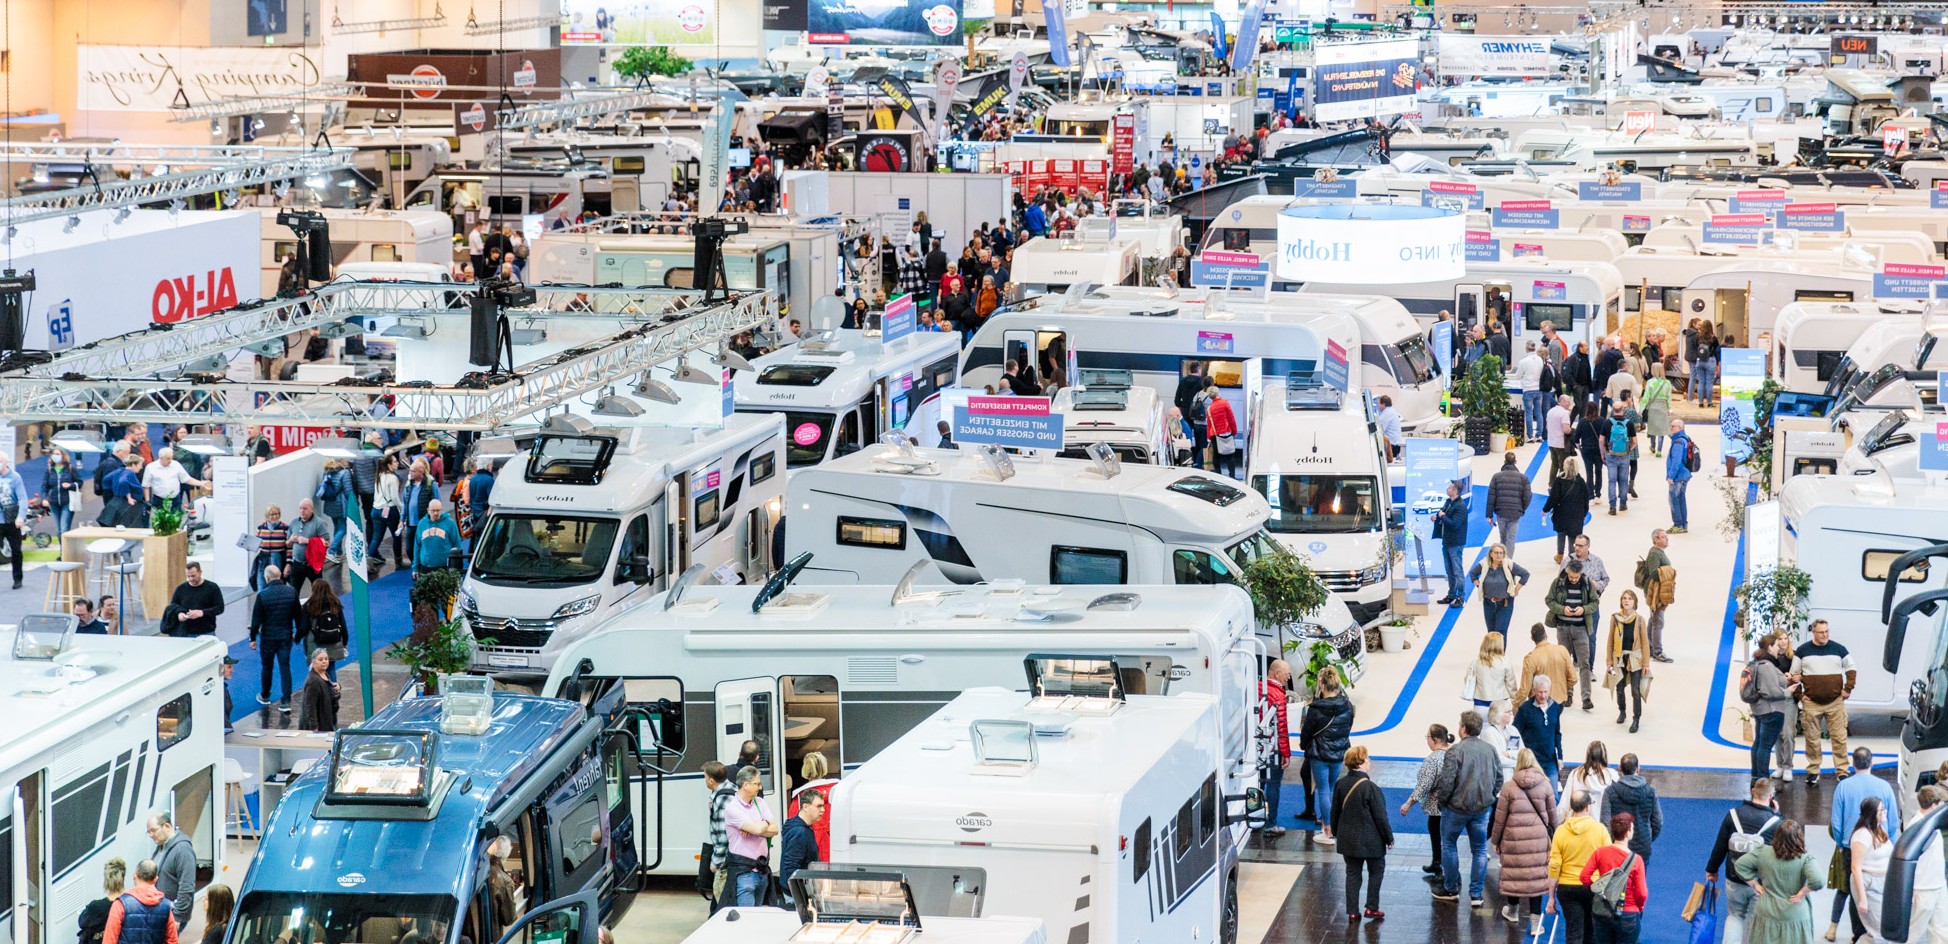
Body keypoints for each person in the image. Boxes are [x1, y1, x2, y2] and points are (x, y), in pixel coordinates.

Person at [1432, 710, 1504, 906]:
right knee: (1479, 850)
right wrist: (1489, 797)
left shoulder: (1455, 751)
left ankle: (1451, 888)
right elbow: (1499, 778)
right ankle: (1476, 895)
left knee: (1449, 845)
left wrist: (1443, 802)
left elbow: (1447, 782)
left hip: (1456, 809)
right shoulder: (1490, 750)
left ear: (1463, 728)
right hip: (1481, 810)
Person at [1830, 747, 1901, 942]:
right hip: (1881, 846)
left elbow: (1836, 822)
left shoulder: (1843, 787)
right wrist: (1887, 843)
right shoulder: (1885, 787)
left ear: (1853, 764)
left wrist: (1841, 844)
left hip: (1851, 848)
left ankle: (1858, 933)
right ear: (1872, 762)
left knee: (1854, 891)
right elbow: (1893, 822)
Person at [1708, 777, 1782, 944]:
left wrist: (1712, 869)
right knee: (1753, 920)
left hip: (1734, 878)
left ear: (1752, 791)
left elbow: (1720, 846)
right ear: (1771, 796)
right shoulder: (1775, 823)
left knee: (1734, 916)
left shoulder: (1733, 815)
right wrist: (1777, 814)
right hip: (1760, 884)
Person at [1494, 748, 1560, 935]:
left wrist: (1496, 840)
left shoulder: (1508, 787)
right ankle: (1535, 924)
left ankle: (1512, 911)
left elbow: (1500, 818)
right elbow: (1552, 815)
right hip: (1538, 839)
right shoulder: (1545, 785)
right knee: (1536, 878)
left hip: (1513, 839)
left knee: (1514, 874)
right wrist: (1555, 836)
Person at [1735, 820, 1823, 944]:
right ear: (1799, 837)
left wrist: (1755, 884)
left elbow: (1740, 865)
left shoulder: (1762, 852)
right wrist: (1803, 892)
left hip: (1766, 913)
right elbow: (1819, 881)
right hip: (1795, 915)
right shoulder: (1805, 859)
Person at [1332, 745, 1393, 923]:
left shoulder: (1340, 784)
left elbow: (1335, 812)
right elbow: (1380, 816)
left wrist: (1336, 833)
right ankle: (1371, 907)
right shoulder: (1370, 787)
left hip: (1348, 838)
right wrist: (1389, 838)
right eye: (1367, 759)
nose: (1369, 762)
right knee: (1376, 871)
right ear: (1359, 763)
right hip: (1371, 839)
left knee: (1352, 874)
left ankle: (1352, 911)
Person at [1792, 619, 1856, 784]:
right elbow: (1793, 675)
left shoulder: (1839, 649)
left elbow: (1851, 668)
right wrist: (1800, 696)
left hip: (1835, 702)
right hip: (1811, 703)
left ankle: (1842, 771)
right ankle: (1813, 771)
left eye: (1827, 631)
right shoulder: (1802, 651)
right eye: (1821, 632)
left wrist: (1848, 688)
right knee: (1812, 739)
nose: (1825, 635)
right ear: (1813, 632)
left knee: (1839, 738)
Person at [1299, 668, 1354, 846]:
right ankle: (1328, 825)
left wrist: (1304, 746)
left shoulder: (1316, 709)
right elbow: (1348, 728)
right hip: (1338, 753)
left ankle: (1328, 830)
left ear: (1322, 686)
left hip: (1320, 754)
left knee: (1323, 790)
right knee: (1329, 789)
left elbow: (1306, 732)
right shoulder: (1347, 705)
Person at [1548, 790, 1606, 944]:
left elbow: (1554, 865)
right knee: (1591, 932)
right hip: (1593, 886)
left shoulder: (1561, 831)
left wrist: (1551, 896)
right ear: (1587, 807)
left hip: (1567, 888)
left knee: (1573, 933)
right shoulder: (1600, 830)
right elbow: (1607, 862)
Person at [718, 766, 780, 908]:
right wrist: (764, 824)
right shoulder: (733, 808)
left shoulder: (760, 802)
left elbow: (775, 829)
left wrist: (754, 828)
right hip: (744, 874)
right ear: (746, 785)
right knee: (746, 916)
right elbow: (758, 829)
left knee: (757, 915)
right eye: (757, 783)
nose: (760, 787)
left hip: (762, 871)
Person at [1580, 814, 1648, 943]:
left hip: (1603, 910)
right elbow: (1642, 893)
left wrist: (1598, 891)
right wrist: (1639, 907)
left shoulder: (1600, 853)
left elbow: (1584, 876)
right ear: (1628, 833)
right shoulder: (1637, 860)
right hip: (1627, 912)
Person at [1742, 633, 1796, 780]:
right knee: (1764, 746)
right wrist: (1787, 691)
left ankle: (1756, 777)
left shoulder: (1757, 663)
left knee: (1759, 744)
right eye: (1777, 645)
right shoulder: (1767, 666)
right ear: (1770, 647)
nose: (1780, 647)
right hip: (1771, 711)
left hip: (1760, 710)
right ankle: (1762, 779)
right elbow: (1771, 691)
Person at [1546, 561, 1599, 709]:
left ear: (1581, 574)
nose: (1574, 580)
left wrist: (1584, 609)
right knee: (1564, 663)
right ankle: (1567, 695)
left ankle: (1586, 698)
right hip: (1563, 628)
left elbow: (1595, 602)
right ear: (1567, 572)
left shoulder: (1587, 583)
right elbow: (1549, 600)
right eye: (1571, 577)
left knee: (1584, 663)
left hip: (1581, 629)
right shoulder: (1558, 583)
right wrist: (1562, 609)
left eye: (1576, 577)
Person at [1402, 725, 1453, 877]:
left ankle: (1440, 865)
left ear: (1435, 740)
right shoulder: (1454, 755)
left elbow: (1424, 785)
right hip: (1454, 805)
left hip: (1437, 807)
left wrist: (1409, 803)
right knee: (1449, 840)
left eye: (1428, 737)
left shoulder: (1433, 760)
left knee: (1438, 837)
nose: (1427, 740)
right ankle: (1444, 867)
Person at [249, 564, 300, 710]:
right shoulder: (291, 592)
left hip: (268, 637)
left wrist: (253, 638)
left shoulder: (263, 595)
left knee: (267, 667)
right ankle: (286, 701)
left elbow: (256, 620)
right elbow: (298, 616)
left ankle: (265, 695)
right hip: (285, 636)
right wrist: (298, 634)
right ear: (280, 576)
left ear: (267, 578)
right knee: (285, 666)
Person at [1605, 590, 1651, 732]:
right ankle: (1622, 711)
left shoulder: (1639, 620)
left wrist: (1646, 664)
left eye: (1630, 598)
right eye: (1624, 598)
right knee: (1619, 687)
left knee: (1635, 690)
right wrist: (1609, 661)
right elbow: (1610, 640)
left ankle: (1636, 719)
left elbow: (1645, 643)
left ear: (1634, 602)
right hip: (1619, 659)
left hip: (1635, 659)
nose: (1626, 601)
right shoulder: (1615, 618)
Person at [1600, 755, 1661, 862]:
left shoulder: (1610, 792)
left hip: (1617, 848)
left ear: (1620, 768)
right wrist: (1647, 839)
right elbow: (1657, 822)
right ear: (1638, 768)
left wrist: (1614, 842)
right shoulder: (1650, 792)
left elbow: (1605, 822)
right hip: (1642, 848)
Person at [100, 860, 178, 944]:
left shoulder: (121, 904)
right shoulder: (166, 907)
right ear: (155, 879)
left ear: (134, 876)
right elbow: (173, 941)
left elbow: (109, 940)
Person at [1850, 797, 1894, 944]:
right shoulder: (1862, 835)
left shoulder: (1880, 830)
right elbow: (1855, 867)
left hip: (1882, 883)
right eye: (1882, 810)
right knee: (1878, 932)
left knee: (1883, 929)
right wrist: (1862, 898)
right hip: (1868, 884)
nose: (1885, 812)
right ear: (1873, 813)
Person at [1256, 659, 1293, 838]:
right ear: (1277, 674)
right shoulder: (1278, 695)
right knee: (1273, 785)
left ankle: (1254, 819)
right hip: (1272, 749)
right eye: (1287, 674)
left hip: (1256, 747)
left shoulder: (1258, 688)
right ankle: (1271, 823)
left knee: (1258, 783)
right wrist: (1286, 753)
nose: (1288, 678)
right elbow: (1281, 727)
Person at [1468, 543, 1529, 639]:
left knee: (1501, 631)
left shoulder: (1508, 564)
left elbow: (1525, 574)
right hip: (1488, 603)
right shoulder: (1484, 564)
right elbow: (1473, 573)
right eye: (1496, 553)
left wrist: (1517, 589)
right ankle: (1492, 649)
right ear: (1491, 554)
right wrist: (1479, 585)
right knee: (1491, 632)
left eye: (1501, 553)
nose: (1499, 555)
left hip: (1505, 603)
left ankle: (1501, 649)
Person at [146, 814, 196, 928]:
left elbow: (187, 886)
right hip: (160, 912)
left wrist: (177, 916)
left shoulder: (183, 850)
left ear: (167, 827)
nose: (151, 835)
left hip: (172, 915)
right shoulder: (162, 846)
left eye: (153, 830)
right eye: (148, 832)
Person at [1515, 677, 1566, 785]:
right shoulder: (1525, 709)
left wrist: (1560, 757)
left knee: (1553, 793)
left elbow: (1557, 733)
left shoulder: (1555, 707)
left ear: (1550, 689)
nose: (1543, 696)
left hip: (1550, 761)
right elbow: (1515, 733)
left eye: (1546, 692)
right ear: (1534, 690)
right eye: (1540, 692)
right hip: (1531, 762)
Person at [788, 752, 838, 861]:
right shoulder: (838, 791)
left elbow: (792, 827)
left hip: (811, 849)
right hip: (836, 846)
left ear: (805, 769)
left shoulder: (800, 797)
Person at [1545, 455, 1592, 564]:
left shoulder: (1559, 480)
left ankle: (1559, 555)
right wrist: (1584, 513)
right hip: (1576, 514)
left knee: (1561, 534)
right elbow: (1586, 499)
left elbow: (1553, 498)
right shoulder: (1581, 482)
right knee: (1573, 537)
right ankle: (1572, 558)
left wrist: (1546, 509)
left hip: (1561, 513)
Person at [1519, 622, 1578, 710]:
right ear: (1546, 635)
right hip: (1559, 701)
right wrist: (1561, 688)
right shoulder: (1562, 650)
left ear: (1532, 638)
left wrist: (1515, 706)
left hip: (1538, 703)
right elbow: (1573, 678)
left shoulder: (1530, 658)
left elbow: (1524, 689)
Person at [1485, 451, 1532, 558]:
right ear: (1515, 462)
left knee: (1503, 537)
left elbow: (1491, 496)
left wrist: (1489, 515)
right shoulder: (1523, 478)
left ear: (1504, 461)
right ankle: (1508, 562)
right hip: (1516, 513)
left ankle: (1500, 560)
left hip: (1501, 511)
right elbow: (1528, 496)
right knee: (1511, 538)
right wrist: (1522, 508)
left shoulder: (1496, 477)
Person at [1638, 529, 1676, 662]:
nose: (1667, 539)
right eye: (1663, 537)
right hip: (1654, 592)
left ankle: (1649, 647)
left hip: (1659, 590)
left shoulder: (1658, 552)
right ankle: (1657, 651)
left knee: (1654, 619)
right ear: (1656, 540)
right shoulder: (1654, 553)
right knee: (1658, 621)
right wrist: (1669, 571)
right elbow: (1654, 572)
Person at [701, 760, 733, 909]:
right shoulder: (732, 788)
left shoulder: (721, 801)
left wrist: (716, 862)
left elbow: (723, 836)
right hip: (735, 859)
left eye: (705, 777)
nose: (705, 780)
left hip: (725, 862)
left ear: (711, 780)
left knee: (722, 904)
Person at [779, 789, 823, 897]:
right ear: (805, 807)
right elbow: (791, 867)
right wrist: (801, 895)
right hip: (796, 895)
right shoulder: (799, 832)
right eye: (818, 806)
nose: (823, 810)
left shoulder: (803, 827)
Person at [1434, 481, 1470, 607]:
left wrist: (1443, 516)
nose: (1447, 489)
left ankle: (1460, 596)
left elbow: (1454, 524)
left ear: (1455, 491)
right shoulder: (1448, 502)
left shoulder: (1460, 506)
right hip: (1447, 541)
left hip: (1455, 543)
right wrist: (1437, 517)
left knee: (1457, 570)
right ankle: (1452, 594)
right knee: (1449, 570)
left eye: (1450, 487)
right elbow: (1443, 514)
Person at [302, 577, 347, 677]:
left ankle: (319, 687)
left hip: (315, 642)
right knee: (331, 667)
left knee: (316, 670)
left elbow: (304, 627)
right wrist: (345, 642)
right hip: (333, 641)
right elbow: (342, 624)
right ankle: (333, 687)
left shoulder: (309, 605)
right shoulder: (335, 603)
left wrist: (297, 637)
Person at [167, 563, 224, 637]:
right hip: (186, 632)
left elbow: (220, 608)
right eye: (188, 576)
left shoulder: (212, 587)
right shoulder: (181, 589)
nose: (191, 579)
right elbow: (173, 607)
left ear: (200, 572)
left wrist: (202, 612)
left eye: (193, 576)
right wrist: (179, 614)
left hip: (207, 632)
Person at [285, 499, 332, 590]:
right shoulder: (294, 523)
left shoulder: (319, 523)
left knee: (318, 591)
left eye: (305, 508)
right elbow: (287, 544)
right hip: (297, 563)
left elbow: (326, 543)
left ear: (311, 509)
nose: (302, 511)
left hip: (313, 564)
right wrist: (291, 540)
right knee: (293, 591)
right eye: (300, 508)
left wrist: (308, 541)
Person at [1463, 633, 1518, 710]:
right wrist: (1516, 700)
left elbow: (1467, 679)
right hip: (1500, 702)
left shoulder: (1475, 661)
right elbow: (1511, 685)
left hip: (1480, 702)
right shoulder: (1505, 661)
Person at [79, 858, 127, 944]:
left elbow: (82, 922)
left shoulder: (95, 907)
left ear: (106, 880)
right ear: (123, 879)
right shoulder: (129, 905)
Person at [1562, 742, 1620, 814]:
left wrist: (1559, 819)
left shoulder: (1576, 773)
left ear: (1588, 755)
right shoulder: (1612, 775)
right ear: (1604, 755)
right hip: (1604, 819)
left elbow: (1565, 801)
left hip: (1580, 819)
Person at [141, 448, 205, 512]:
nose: (170, 460)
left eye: (171, 458)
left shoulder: (176, 465)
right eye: (168, 458)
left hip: (175, 500)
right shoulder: (151, 467)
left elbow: (186, 479)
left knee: (177, 517)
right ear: (161, 458)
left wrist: (202, 483)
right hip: (159, 500)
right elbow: (146, 486)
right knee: (160, 518)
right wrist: (147, 501)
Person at [1600, 402, 1637, 515]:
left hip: (1611, 455)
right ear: (1623, 410)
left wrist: (1603, 452)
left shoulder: (1607, 423)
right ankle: (1623, 504)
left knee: (1612, 481)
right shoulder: (1629, 423)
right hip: (1624, 455)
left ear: (1613, 410)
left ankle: (1612, 506)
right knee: (1623, 480)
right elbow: (1635, 441)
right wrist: (1628, 449)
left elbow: (1601, 440)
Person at [297, 647, 340, 732]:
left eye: (326, 659)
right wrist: (314, 727)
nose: (324, 661)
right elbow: (310, 706)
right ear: (313, 662)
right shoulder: (313, 682)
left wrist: (338, 687)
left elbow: (329, 690)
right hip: (320, 725)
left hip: (328, 720)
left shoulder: (325, 675)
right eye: (320, 659)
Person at [370, 454, 402, 567]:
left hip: (376, 510)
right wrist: (402, 507)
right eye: (395, 461)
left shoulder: (379, 475)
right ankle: (398, 561)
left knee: (376, 537)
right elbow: (395, 498)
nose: (397, 463)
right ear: (389, 465)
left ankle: (369, 561)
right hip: (390, 510)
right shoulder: (393, 478)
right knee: (396, 536)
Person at [415, 500, 462, 574]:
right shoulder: (421, 524)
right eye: (433, 510)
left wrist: (457, 566)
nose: (436, 513)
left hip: (445, 566)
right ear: (428, 510)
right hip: (426, 566)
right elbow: (417, 546)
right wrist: (415, 568)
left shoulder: (450, 524)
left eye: (438, 510)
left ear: (441, 509)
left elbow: (457, 545)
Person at [43, 446, 81, 537]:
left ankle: (64, 546)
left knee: (64, 529)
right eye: (54, 454)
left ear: (63, 456)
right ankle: (63, 546)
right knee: (58, 530)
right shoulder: (50, 470)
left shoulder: (70, 468)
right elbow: (44, 486)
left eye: (58, 454)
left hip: (67, 502)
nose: (55, 456)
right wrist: (45, 498)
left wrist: (70, 485)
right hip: (54, 502)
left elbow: (80, 482)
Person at [1206, 379, 1241, 478]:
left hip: (1214, 434)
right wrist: (1234, 431)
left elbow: (1209, 425)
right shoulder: (1225, 403)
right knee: (1230, 455)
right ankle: (1232, 476)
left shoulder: (1209, 409)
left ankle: (1218, 475)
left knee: (1216, 456)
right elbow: (1231, 418)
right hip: (1227, 432)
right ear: (1217, 393)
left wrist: (1208, 437)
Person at [250, 505, 290, 593]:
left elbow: (289, 547)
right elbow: (257, 543)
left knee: (278, 585)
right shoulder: (261, 527)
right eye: (272, 514)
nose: (275, 516)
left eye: (277, 514)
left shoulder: (285, 527)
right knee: (261, 585)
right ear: (267, 515)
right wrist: (249, 546)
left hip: (278, 557)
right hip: (263, 558)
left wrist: (288, 563)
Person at [1517, 341, 1550, 443]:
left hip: (1528, 389)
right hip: (1538, 389)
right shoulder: (1540, 360)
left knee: (1529, 413)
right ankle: (1539, 435)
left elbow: (1518, 376)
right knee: (1539, 412)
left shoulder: (1523, 361)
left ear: (1526, 349)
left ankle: (1530, 436)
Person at [1666, 418, 1695, 534]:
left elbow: (1676, 461)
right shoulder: (1685, 438)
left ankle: (1678, 524)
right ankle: (1683, 524)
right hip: (1685, 474)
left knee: (1674, 499)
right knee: (1681, 499)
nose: (1671, 428)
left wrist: (1671, 476)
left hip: (1678, 476)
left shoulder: (1678, 442)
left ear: (1680, 428)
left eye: (1673, 426)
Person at [1575, 403, 1606, 501]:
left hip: (1586, 449)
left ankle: (1590, 495)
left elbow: (1576, 438)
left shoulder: (1582, 422)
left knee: (1589, 472)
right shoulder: (1602, 421)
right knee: (1598, 471)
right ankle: (1598, 494)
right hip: (1599, 449)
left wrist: (1580, 448)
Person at [1642, 365, 1673, 457]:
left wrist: (1641, 409)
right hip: (1662, 407)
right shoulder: (1667, 383)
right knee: (1661, 429)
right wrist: (1669, 409)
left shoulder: (1650, 382)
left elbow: (1646, 397)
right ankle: (1659, 451)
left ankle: (1652, 447)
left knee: (1653, 427)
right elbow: (1669, 397)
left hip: (1652, 407)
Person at [1547, 394, 1576, 482]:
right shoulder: (1564, 413)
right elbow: (1566, 430)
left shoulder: (1550, 411)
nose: (1569, 404)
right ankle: (1562, 484)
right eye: (1568, 402)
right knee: (1563, 466)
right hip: (1561, 444)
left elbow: (1547, 426)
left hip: (1551, 442)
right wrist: (1572, 431)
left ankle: (1551, 484)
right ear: (1562, 402)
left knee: (1554, 464)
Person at [1376, 395, 1403, 461]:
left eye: (1378, 404)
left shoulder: (1387, 414)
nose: (1378, 406)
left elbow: (1379, 430)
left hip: (1391, 446)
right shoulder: (1392, 411)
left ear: (1383, 404)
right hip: (1394, 445)